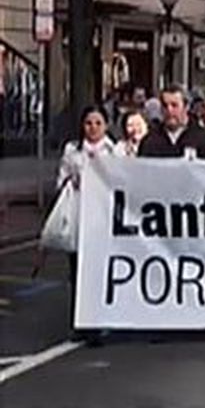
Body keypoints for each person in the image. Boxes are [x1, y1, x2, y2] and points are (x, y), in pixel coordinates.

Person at [47, 106, 120, 343]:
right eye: (88, 123)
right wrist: (71, 181)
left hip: (102, 217)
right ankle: (79, 321)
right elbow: (61, 180)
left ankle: (100, 320)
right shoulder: (72, 150)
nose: (93, 128)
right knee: (77, 271)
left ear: (106, 125)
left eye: (98, 123)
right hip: (79, 214)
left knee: (99, 270)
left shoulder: (114, 151)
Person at [139, 85, 205, 159]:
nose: (169, 110)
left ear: (186, 107)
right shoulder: (150, 140)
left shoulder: (203, 139)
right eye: (165, 105)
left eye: (174, 105)